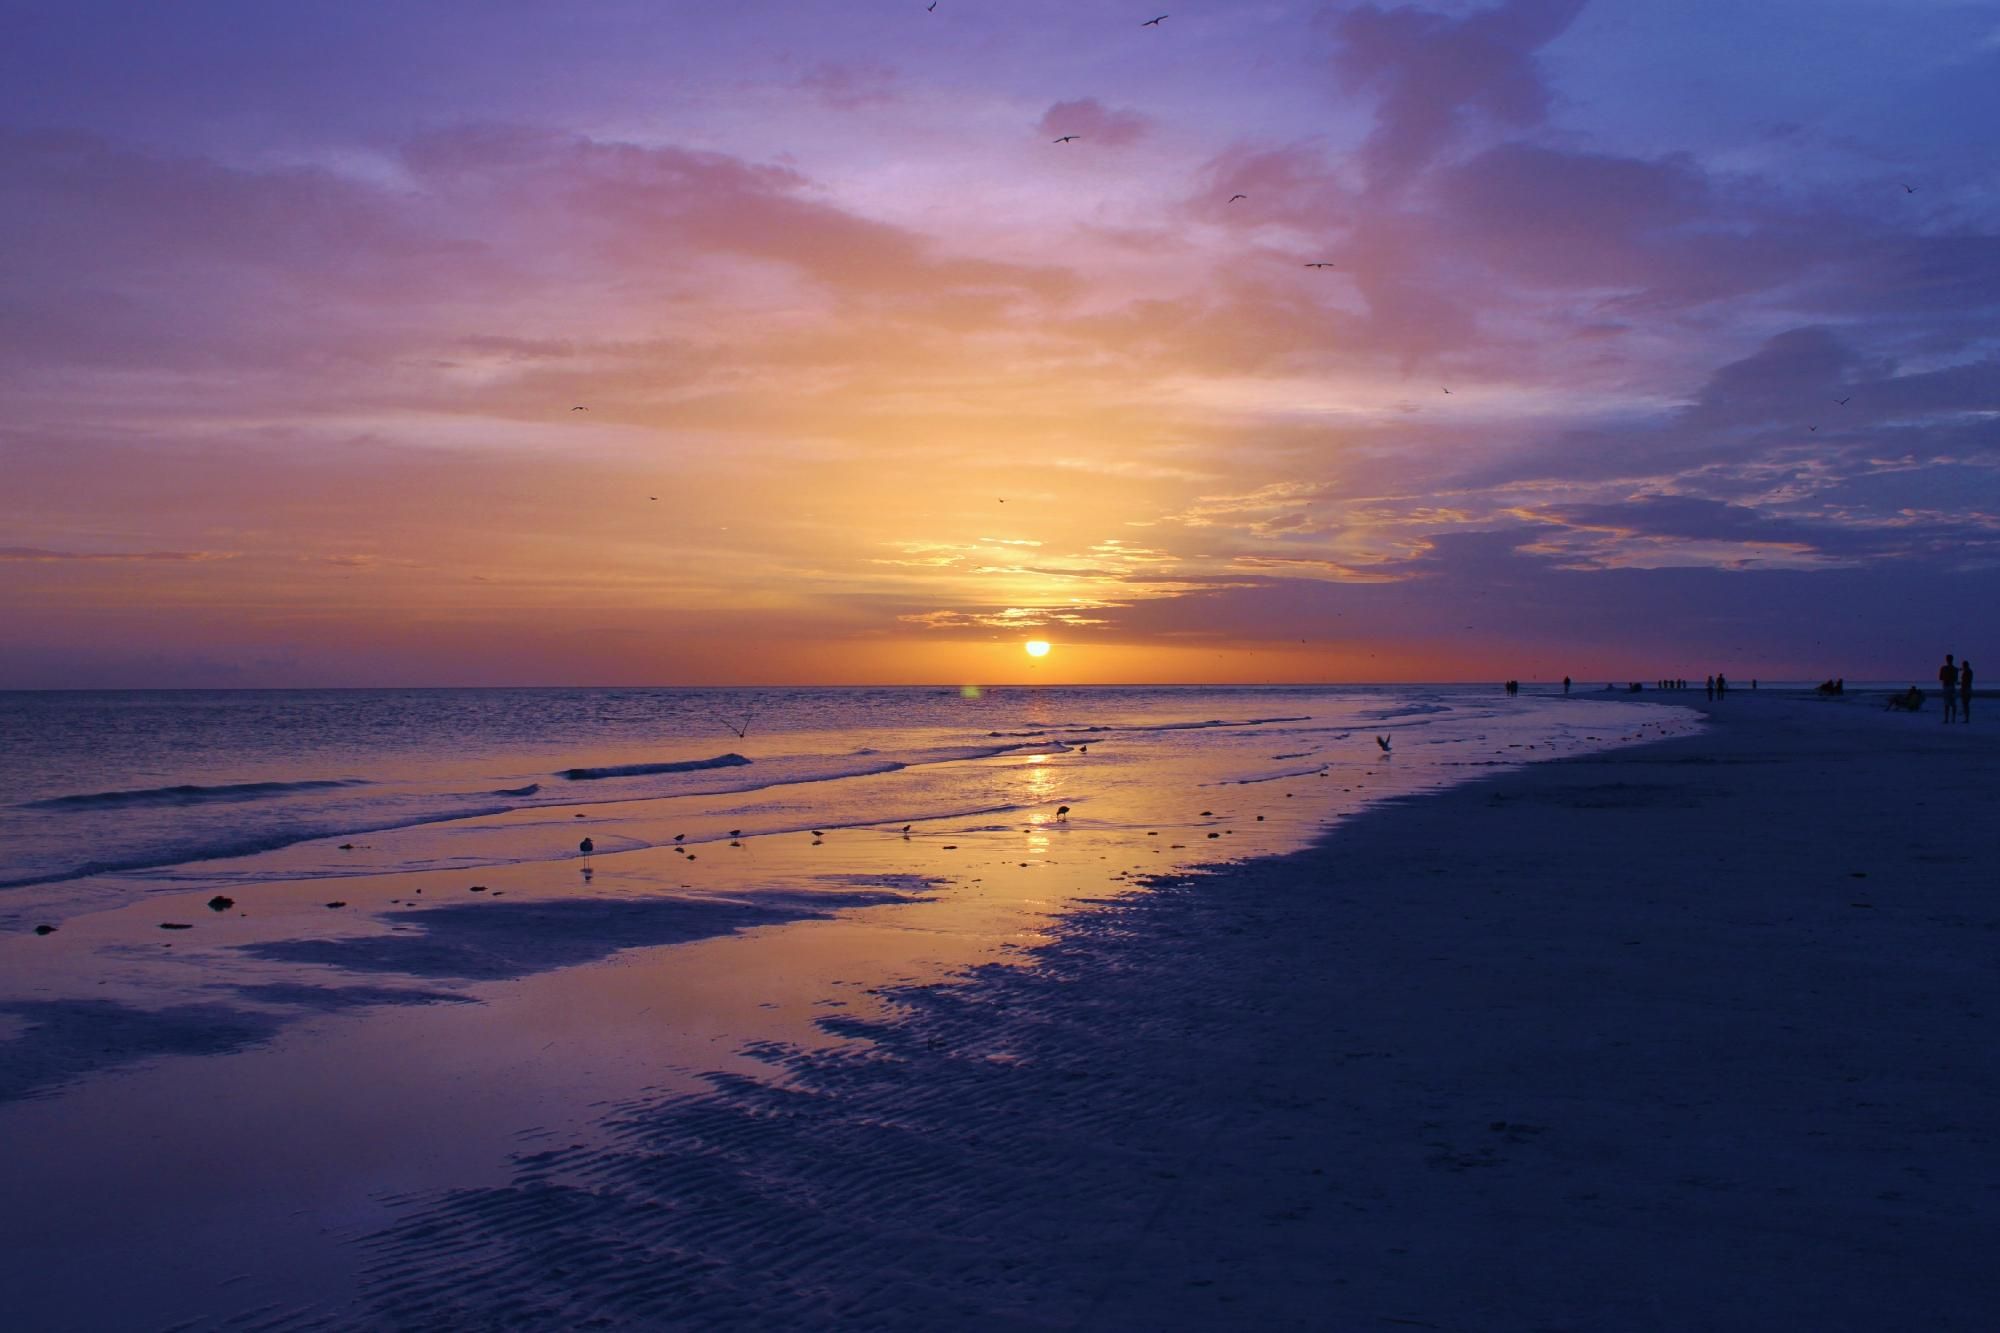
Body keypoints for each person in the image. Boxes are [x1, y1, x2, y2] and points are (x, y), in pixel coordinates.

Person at [1940, 654, 1959, 724]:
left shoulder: (1943, 668)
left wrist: (1946, 677)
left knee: (1946, 704)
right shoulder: (1955, 669)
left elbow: (1941, 678)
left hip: (1946, 687)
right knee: (1953, 704)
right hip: (1952, 687)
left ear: (1946, 660)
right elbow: (1956, 679)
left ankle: (1946, 719)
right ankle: (1953, 719)